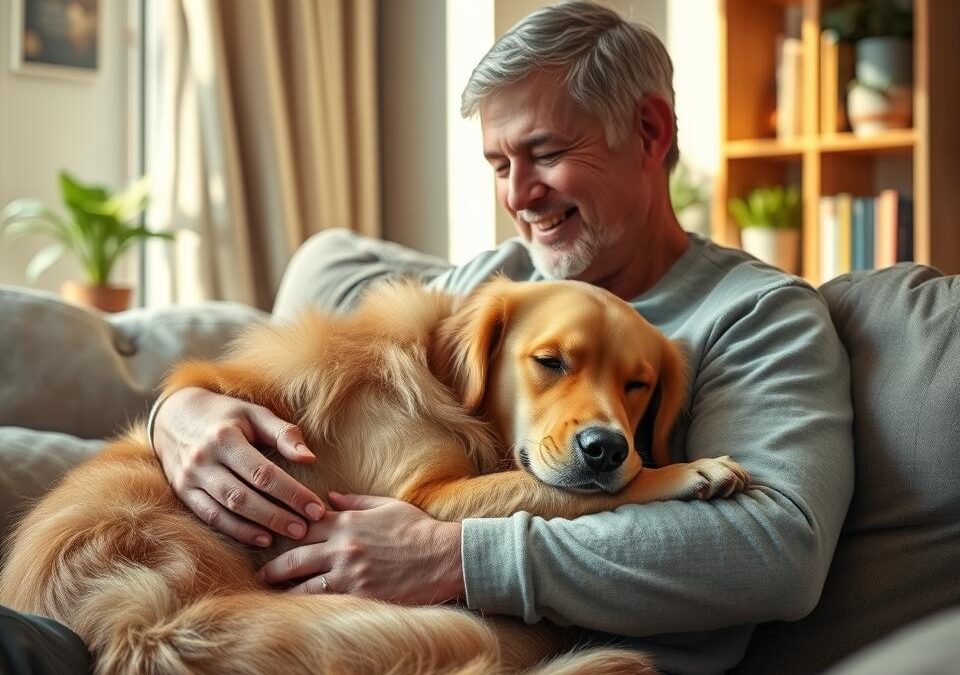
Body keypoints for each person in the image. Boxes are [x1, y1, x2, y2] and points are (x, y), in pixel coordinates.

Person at [151, 3, 854, 673]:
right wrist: (179, 414)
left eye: (544, 153)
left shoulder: (759, 315)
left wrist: (457, 555)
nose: (518, 195)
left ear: (650, 132)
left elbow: (778, 548)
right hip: (327, 622)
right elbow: (317, 400)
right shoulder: (486, 287)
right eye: (498, 164)